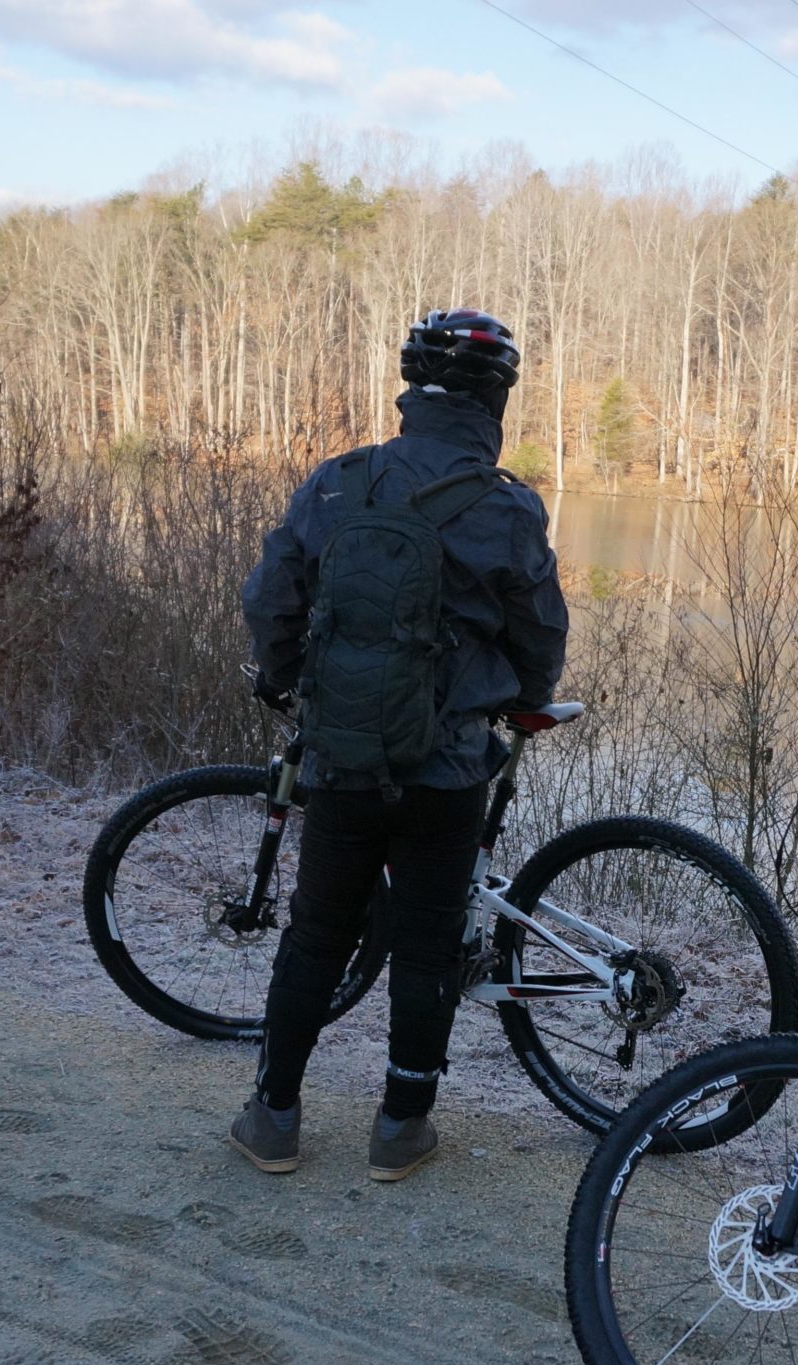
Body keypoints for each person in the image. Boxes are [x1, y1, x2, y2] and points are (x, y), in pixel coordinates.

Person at [234, 309, 570, 1184]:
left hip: (343, 757)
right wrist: (527, 701)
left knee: (315, 934)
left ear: (411, 391)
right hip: (449, 767)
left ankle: (273, 1116)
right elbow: (540, 629)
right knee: (425, 946)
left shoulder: (340, 484)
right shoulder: (507, 508)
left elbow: (271, 598)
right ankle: (400, 1127)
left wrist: (282, 678)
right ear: (495, 402)